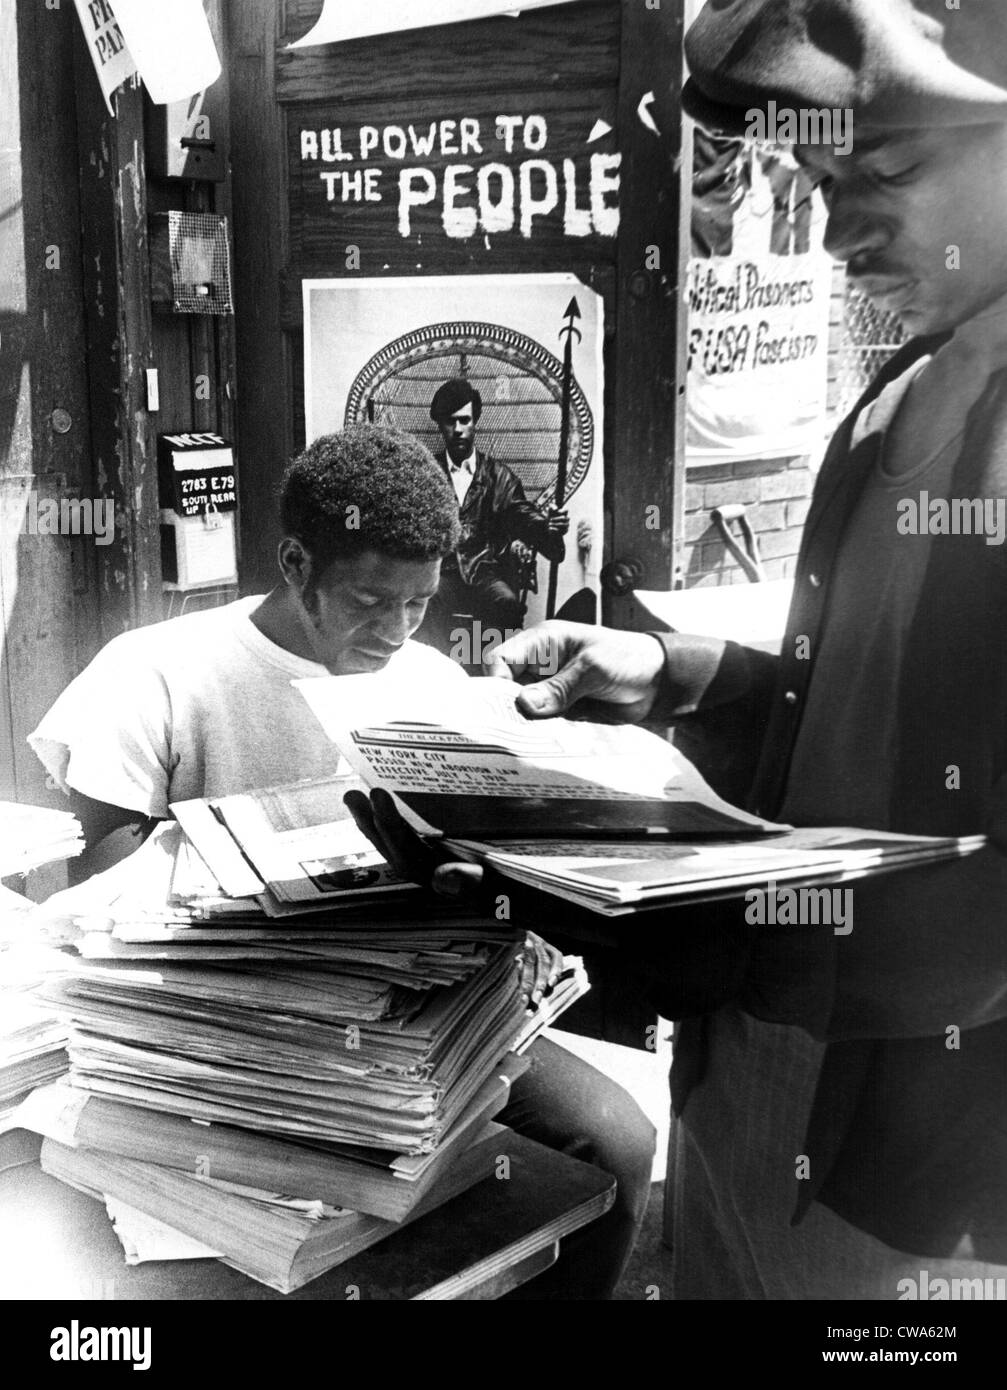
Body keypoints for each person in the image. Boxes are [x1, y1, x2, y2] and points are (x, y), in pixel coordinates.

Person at [349, 1, 1007, 1299]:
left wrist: (708, 933)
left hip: (915, 1152)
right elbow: (865, 717)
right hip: (755, 1073)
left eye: (881, 170)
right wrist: (675, 678)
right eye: (817, 178)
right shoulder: (904, 392)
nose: (830, 229)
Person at [29, 424, 654, 1300]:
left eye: (418, 602)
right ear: (295, 562)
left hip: (410, 1013)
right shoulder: (158, 672)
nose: (396, 630)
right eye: (369, 600)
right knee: (294, 1234)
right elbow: (103, 879)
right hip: (224, 1016)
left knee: (614, 1143)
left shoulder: (429, 683)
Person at [419, 377, 570, 651]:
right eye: (450, 422)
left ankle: (497, 672)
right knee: (425, 600)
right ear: (440, 425)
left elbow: (524, 516)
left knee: (508, 604)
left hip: (485, 573)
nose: (458, 429)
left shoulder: (500, 477)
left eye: (465, 421)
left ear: (475, 421)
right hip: (443, 574)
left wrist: (549, 528)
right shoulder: (427, 475)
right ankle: (438, 676)